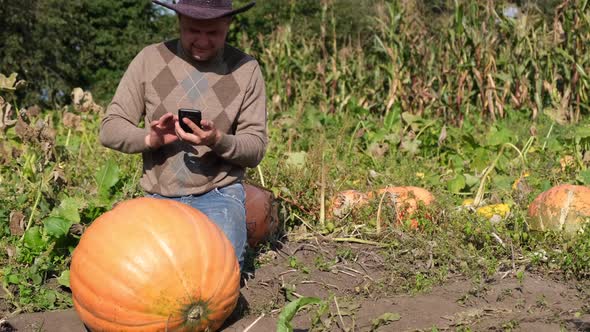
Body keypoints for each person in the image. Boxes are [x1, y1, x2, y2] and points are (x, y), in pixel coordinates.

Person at [99, 0, 267, 270]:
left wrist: (216, 140)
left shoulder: (246, 70)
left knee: (216, 274)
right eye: (192, 30)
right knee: (135, 273)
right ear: (178, 21)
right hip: (158, 196)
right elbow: (110, 128)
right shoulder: (149, 60)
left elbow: (255, 148)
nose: (202, 41)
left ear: (228, 24)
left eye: (213, 33)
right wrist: (150, 139)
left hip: (218, 194)